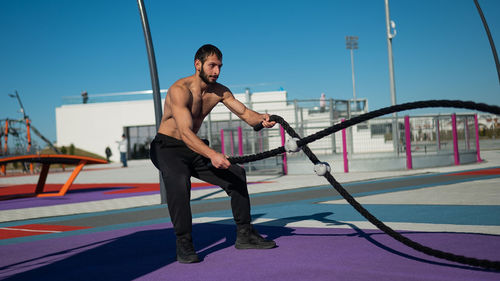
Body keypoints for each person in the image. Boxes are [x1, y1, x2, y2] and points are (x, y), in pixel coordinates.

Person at [150, 44, 277, 264]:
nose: (216, 71)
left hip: (193, 147)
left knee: (236, 174)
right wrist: (212, 154)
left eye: (219, 66)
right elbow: (185, 132)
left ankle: (245, 235)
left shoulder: (219, 91)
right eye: (212, 65)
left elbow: (246, 113)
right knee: (180, 183)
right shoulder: (179, 90)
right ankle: (184, 244)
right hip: (168, 147)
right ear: (197, 64)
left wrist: (262, 119)